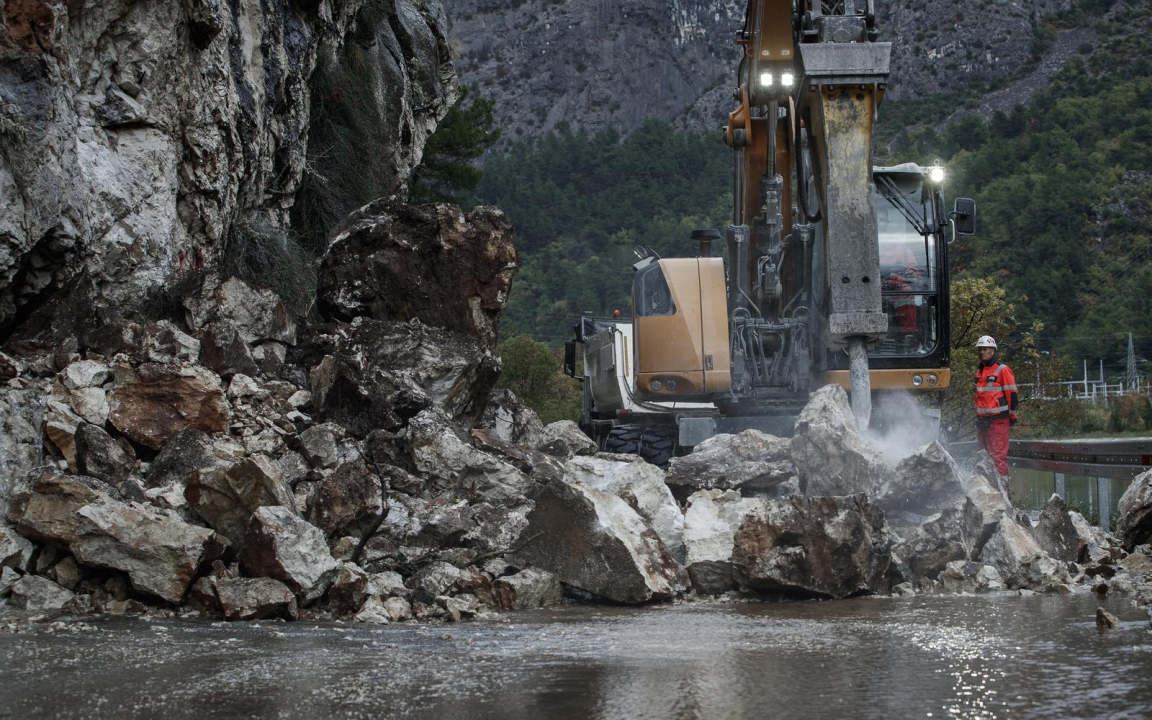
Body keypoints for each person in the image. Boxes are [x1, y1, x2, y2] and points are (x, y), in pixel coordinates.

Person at [973, 335, 1018, 478]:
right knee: (983, 458)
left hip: (998, 421)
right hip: (982, 421)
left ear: (993, 351)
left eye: (985, 349)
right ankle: (988, 493)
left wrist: (1012, 416)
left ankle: (1003, 493)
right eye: (980, 349)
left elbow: (1012, 395)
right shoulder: (980, 371)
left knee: (997, 458)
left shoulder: (1002, 370)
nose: (982, 352)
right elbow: (980, 397)